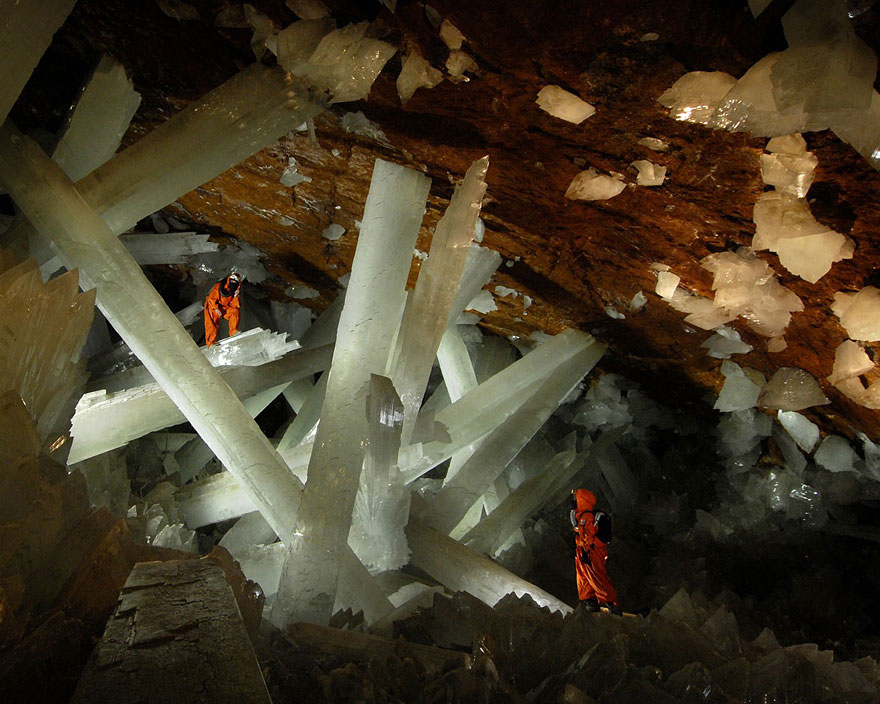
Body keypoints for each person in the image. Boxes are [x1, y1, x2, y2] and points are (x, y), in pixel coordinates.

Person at [571, 488, 621, 615]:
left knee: (598, 578)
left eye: (576, 498)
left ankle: (609, 604)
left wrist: (591, 545)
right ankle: (589, 601)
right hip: (582, 551)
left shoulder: (596, 517)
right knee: (583, 578)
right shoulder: (577, 516)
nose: (574, 501)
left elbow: (605, 537)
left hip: (593, 551)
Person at [204, 272, 242, 347]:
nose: (233, 283)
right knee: (211, 326)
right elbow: (211, 298)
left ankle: (233, 332)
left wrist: (235, 297)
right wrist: (215, 308)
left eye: (235, 282)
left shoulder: (234, 291)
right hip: (212, 307)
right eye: (232, 280)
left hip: (224, 308)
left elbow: (235, 306)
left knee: (234, 312)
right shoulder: (219, 286)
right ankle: (210, 344)